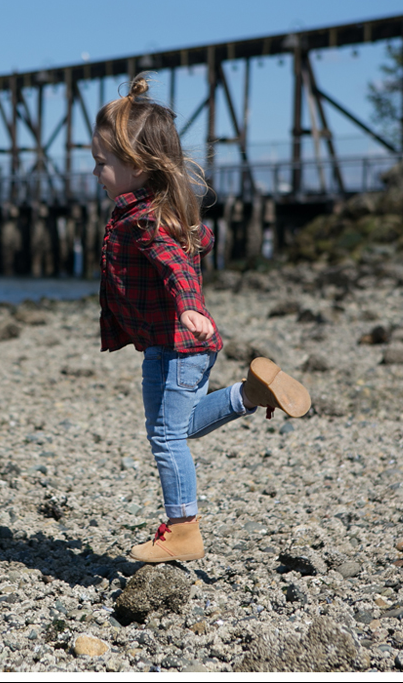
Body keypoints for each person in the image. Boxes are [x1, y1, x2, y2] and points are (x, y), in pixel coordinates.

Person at [94, 74, 311, 564]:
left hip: (177, 344)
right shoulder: (152, 211)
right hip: (179, 345)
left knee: (167, 436)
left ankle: (183, 529)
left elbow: (174, 265)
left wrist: (190, 305)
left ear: (138, 165)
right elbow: (191, 246)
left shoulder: (146, 221)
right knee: (181, 425)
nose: (96, 172)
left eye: (102, 163)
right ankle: (249, 393)